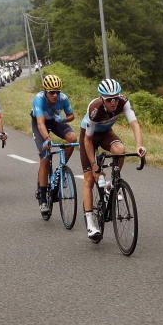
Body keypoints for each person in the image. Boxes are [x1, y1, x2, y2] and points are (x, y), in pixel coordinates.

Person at [80, 78, 146, 242]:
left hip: (105, 133)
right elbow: (88, 141)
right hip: (88, 137)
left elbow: (135, 124)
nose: (113, 102)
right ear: (102, 99)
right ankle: (90, 224)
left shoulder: (123, 102)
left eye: (115, 98)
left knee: (120, 150)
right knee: (89, 179)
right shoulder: (95, 110)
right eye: (109, 100)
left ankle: (111, 184)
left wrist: (139, 145)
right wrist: (94, 165)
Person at [31, 74, 77, 213]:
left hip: (55, 121)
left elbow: (71, 116)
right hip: (40, 123)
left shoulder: (63, 98)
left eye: (57, 91)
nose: (55, 95)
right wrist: (47, 138)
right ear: (45, 91)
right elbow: (40, 123)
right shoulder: (38, 100)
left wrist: (63, 120)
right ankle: (43, 198)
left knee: (72, 138)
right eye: (52, 92)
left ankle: (61, 168)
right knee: (45, 158)